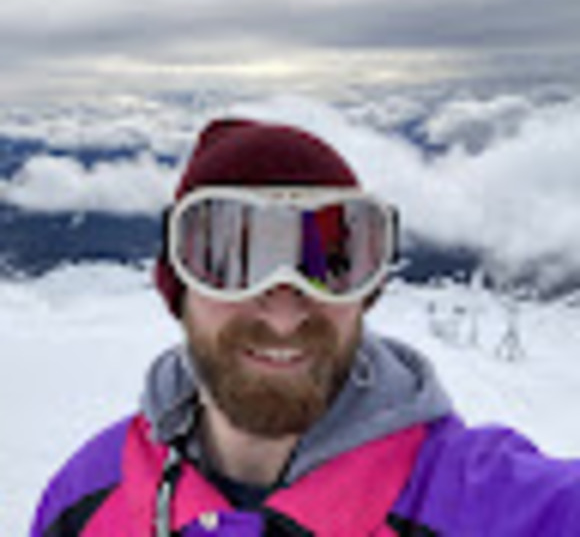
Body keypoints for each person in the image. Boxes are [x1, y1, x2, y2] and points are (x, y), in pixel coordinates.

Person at [31, 118, 580, 536]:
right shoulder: (85, 499)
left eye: (330, 265)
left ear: (366, 292)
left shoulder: (483, 502)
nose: (284, 313)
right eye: (233, 262)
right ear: (179, 287)